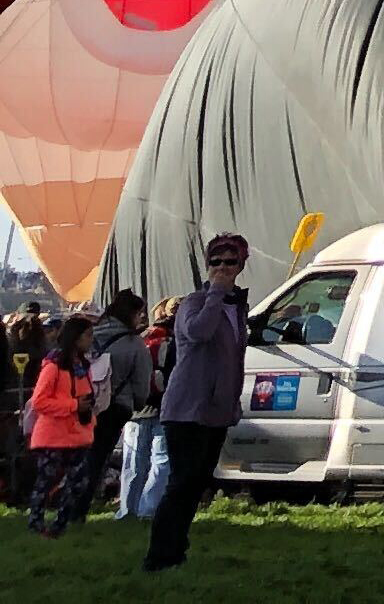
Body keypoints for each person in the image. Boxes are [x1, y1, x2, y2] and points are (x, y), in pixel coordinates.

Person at [143, 229, 250, 571]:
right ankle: (159, 556)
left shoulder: (238, 308)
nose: (222, 268)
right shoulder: (194, 302)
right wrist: (215, 293)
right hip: (187, 407)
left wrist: (232, 401)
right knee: (181, 482)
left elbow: (234, 359)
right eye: (215, 262)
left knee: (196, 484)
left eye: (230, 262)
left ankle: (177, 550)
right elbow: (198, 332)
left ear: (241, 265)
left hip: (217, 410)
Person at [25, 312, 95, 537]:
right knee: (45, 482)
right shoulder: (53, 366)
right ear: (75, 338)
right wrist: (74, 405)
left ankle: (60, 524)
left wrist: (88, 415)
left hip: (78, 435)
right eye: (87, 335)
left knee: (78, 483)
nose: (91, 340)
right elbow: (39, 401)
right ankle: (36, 522)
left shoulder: (83, 366)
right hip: (53, 436)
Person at [86, 292, 151, 532]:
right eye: (139, 313)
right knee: (98, 458)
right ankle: (82, 505)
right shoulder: (134, 344)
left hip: (83, 405)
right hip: (115, 407)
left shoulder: (90, 336)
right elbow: (142, 382)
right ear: (131, 314)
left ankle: (67, 503)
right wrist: (137, 403)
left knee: (80, 457)